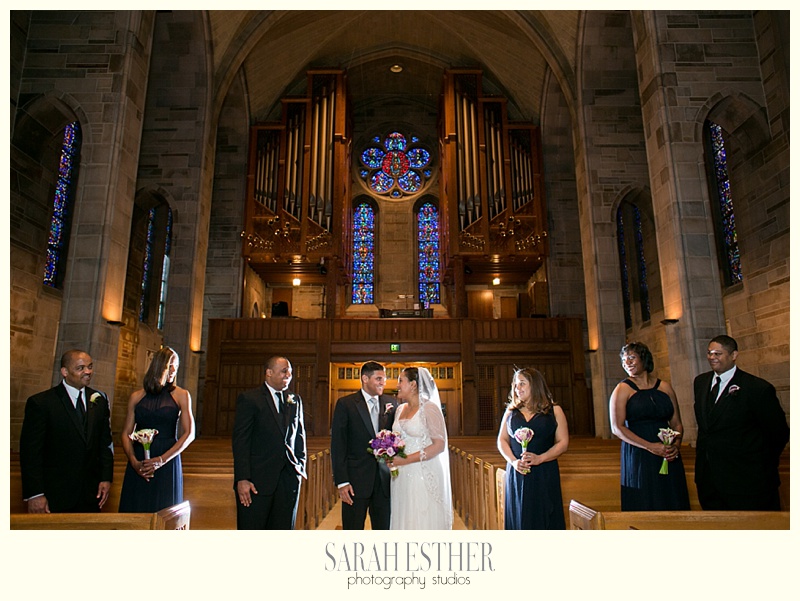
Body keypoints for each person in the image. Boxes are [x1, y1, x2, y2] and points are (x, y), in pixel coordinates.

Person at [694, 335, 789, 510]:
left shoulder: (757, 388)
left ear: (734, 355)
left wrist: (758, 464)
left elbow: (778, 433)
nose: (712, 357)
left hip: (747, 480)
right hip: (709, 480)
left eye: (718, 353)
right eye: (709, 353)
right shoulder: (700, 382)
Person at [19, 349, 114, 513]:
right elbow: (31, 452)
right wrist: (35, 494)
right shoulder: (42, 403)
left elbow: (105, 443)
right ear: (64, 371)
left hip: (91, 494)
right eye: (81, 368)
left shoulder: (99, 400)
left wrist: (106, 478)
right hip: (55, 493)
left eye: (90, 367)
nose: (88, 372)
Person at [609, 342, 690, 511]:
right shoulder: (622, 389)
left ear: (644, 359)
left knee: (671, 497)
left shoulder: (665, 386)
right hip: (639, 452)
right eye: (624, 360)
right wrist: (650, 446)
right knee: (646, 499)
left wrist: (675, 446)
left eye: (632, 357)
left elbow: (676, 423)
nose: (627, 363)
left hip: (668, 453)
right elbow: (617, 427)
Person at [232, 356, 307, 529]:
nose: (288, 375)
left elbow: (299, 437)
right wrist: (242, 478)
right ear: (269, 373)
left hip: (288, 480)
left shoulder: (294, 400)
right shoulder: (250, 399)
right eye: (284, 371)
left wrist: (300, 467)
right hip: (257, 481)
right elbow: (241, 441)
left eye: (290, 372)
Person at [118, 346, 195, 512]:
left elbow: (189, 433)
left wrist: (162, 459)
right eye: (170, 365)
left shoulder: (181, 395)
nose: (174, 370)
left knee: (164, 513)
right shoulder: (137, 397)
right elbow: (126, 433)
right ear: (159, 366)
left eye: (176, 366)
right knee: (136, 510)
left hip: (167, 458)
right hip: (139, 460)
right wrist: (133, 460)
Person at [497, 367, 568, 529]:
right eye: (515, 385)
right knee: (519, 518)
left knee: (545, 519)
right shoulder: (511, 411)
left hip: (544, 472)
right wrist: (513, 462)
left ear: (534, 385)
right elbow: (501, 440)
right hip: (518, 472)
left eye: (522, 384)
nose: (517, 388)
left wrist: (540, 458)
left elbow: (563, 443)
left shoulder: (554, 410)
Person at [330, 361, 396, 529]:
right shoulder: (346, 404)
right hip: (355, 481)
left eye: (384, 378)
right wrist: (342, 481)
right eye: (379, 378)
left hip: (383, 481)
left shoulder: (392, 404)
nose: (384, 382)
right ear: (365, 378)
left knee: (384, 531)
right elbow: (338, 445)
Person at [387, 367, 452, 530]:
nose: (397, 386)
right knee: (403, 514)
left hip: (422, 471)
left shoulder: (429, 409)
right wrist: (389, 453)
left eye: (401, 381)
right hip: (400, 474)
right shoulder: (400, 409)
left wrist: (406, 459)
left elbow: (439, 445)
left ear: (413, 384)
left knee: (420, 516)